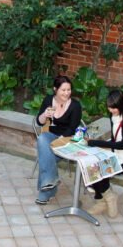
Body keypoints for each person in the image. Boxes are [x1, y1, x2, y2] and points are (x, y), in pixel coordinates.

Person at [86, 89, 123, 218]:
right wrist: (99, 145)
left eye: (114, 108)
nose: (111, 110)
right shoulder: (113, 116)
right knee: (91, 162)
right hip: (118, 151)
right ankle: (103, 200)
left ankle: (109, 199)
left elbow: (122, 144)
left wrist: (96, 143)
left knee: (98, 169)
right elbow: (115, 139)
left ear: (121, 105)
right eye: (109, 107)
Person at [34, 75, 82, 205]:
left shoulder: (75, 106)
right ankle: (50, 182)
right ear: (55, 89)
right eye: (63, 90)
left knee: (45, 155)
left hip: (67, 140)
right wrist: (45, 114)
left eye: (69, 90)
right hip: (49, 137)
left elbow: (71, 129)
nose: (67, 93)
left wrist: (56, 144)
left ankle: (45, 192)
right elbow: (39, 122)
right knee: (43, 138)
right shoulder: (49, 100)